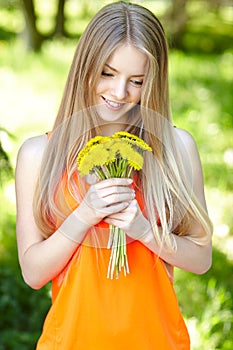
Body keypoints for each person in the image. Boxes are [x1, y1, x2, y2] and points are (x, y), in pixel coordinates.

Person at [15, 1, 213, 349]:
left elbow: (201, 259)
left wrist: (145, 232)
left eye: (136, 81)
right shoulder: (39, 154)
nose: (119, 93)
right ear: (84, 67)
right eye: (107, 73)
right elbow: (33, 273)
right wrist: (84, 215)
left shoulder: (177, 147)